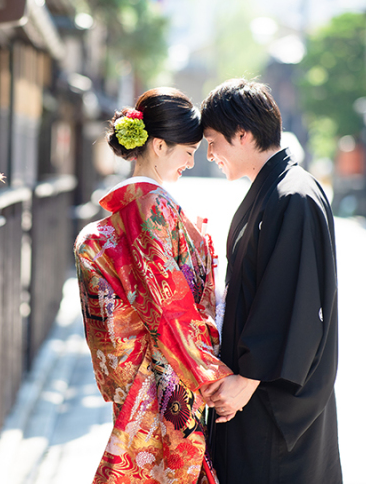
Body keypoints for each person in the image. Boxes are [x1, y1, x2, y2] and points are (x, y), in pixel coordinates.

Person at [74, 88, 232, 484]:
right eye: (188, 151)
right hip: (163, 370)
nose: (192, 162)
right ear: (159, 145)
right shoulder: (152, 207)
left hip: (144, 370)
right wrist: (213, 373)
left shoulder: (133, 206)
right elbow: (169, 306)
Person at [199, 79, 342, 483]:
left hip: (274, 402)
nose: (210, 154)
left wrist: (248, 379)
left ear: (242, 135)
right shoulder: (273, 191)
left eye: (214, 142)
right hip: (254, 394)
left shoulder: (293, 196)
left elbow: (293, 300)